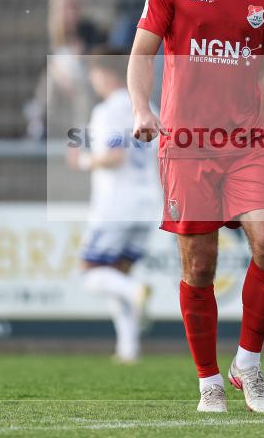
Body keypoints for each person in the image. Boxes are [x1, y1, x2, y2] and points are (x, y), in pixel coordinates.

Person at [128, 0, 264, 414]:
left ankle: (248, 363)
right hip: (186, 145)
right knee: (199, 266)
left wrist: (260, 127)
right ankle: (208, 383)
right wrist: (141, 108)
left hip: (244, 144)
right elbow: (141, 52)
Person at [68, 47, 157, 364]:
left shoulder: (107, 111)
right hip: (147, 204)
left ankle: (136, 291)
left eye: (94, 73)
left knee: (89, 274)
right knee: (116, 276)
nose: (93, 80)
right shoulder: (149, 108)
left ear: (106, 74)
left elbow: (114, 156)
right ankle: (128, 349)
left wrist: (83, 160)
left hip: (116, 205)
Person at [25, 0, 105, 140]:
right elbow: (50, 64)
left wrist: (81, 56)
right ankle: (39, 122)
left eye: (72, 8)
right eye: (65, 8)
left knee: (81, 89)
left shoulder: (89, 30)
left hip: (85, 76)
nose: (69, 13)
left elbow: (96, 58)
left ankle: (82, 130)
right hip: (61, 78)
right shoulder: (51, 33)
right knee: (49, 81)